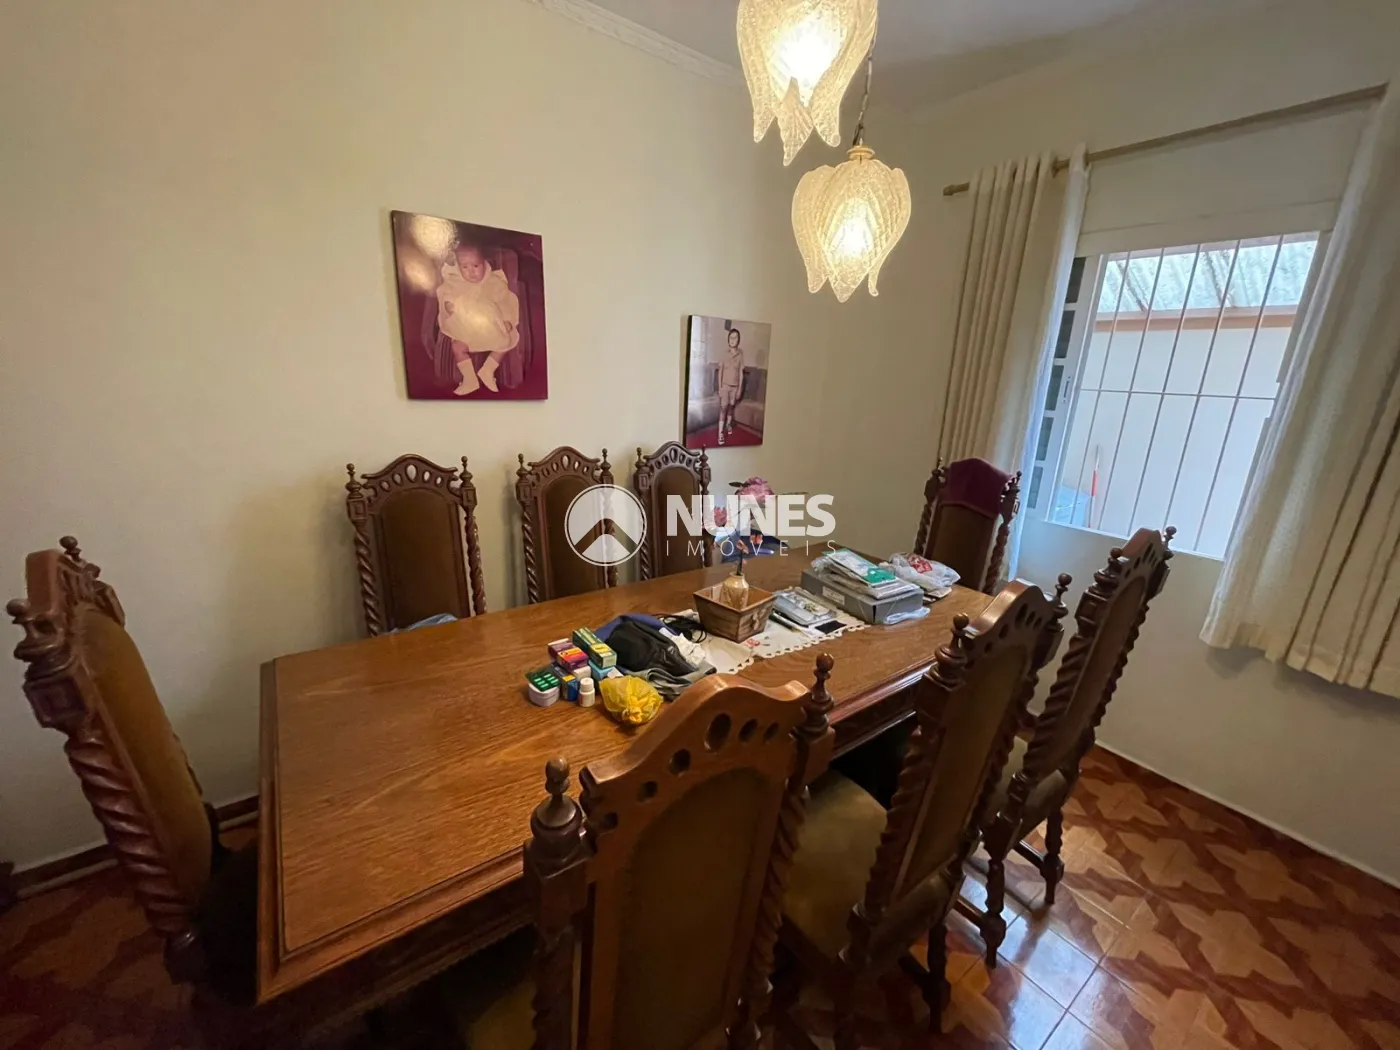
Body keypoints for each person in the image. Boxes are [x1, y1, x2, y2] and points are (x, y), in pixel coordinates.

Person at [435, 242, 521, 395]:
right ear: (459, 267)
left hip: (489, 326)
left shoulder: (494, 282)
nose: (471, 272)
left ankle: (488, 370)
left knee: (507, 340)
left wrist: (507, 319)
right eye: (465, 267)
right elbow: (446, 294)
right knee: (457, 347)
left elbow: (507, 301)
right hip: (464, 327)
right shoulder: (454, 281)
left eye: (475, 266)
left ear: (484, 263)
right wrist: (448, 304)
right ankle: (470, 379)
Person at [716, 327, 744, 445]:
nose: (733, 340)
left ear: (738, 340)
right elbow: (720, 372)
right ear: (728, 340)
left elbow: (741, 373)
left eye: (735, 338)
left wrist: (739, 388)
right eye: (731, 338)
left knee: (731, 406)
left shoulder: (740, 355)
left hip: (735, 387)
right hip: (725, 386)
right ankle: (720, 433)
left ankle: (728, 424)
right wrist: (720, 387)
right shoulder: (724, 354)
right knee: (723, 408)